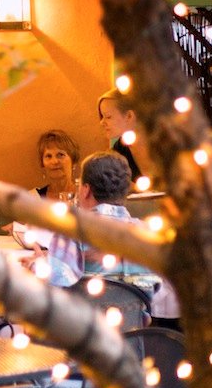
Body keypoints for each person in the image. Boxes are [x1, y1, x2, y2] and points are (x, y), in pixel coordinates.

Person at [45, 150, 146, 287]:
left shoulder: (71, 230)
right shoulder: (149, 234)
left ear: (86, 190)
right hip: (137, 302)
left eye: (80, 184)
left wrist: (39, 267)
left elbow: (55, 286)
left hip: (85, 301)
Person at [97, 88, 147, 182]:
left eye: (108, 117)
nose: (102, 122)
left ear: (129, 116)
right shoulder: (120, 148)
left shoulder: (159, 142)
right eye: (102, 116)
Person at [35, 129, 81, 201]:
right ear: (42, 164)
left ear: (73, 161)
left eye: (60, 155)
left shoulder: (87, 195)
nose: (54, 161)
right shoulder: (33, 199)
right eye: (48, 156)